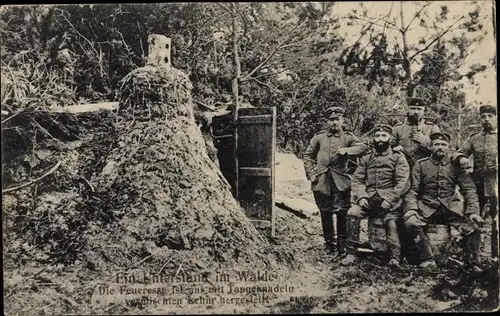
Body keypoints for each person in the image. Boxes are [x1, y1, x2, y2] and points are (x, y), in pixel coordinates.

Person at [403, 132, 484, 270]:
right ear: (431, 146)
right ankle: (427, 259)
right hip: (426, 208)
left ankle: (472, 263)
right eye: (436, 145)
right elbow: (412, 190)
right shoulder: (421, 165)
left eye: (443, 145)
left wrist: (473, 211)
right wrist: (411, 209)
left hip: (451, 209)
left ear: (448, 147)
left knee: (474, 228)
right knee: (410, 223)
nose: (440, 147)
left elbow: (469, 189)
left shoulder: (455, 166)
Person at [340, 124, 411, 267]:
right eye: (377, 136)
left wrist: (389, 199)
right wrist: (362, 196)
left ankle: (394, 257)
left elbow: (402, 182)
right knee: (352, 213)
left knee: (390, 221)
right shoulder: (367, 157)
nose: (380, 139)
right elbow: (357, 179)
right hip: (370, 198)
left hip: (390, 200)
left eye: (383, 136)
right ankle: (351, 252)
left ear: (390, 138)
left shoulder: (398, 157)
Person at [304, 107, 369, 256]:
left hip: (340, 182)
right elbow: (308, 156)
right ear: (327, 121)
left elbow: (363, 148)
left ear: (342, 121)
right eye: (331, 119)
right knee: (325, 213)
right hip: (321, 181)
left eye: (337, 119)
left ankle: (342, 244)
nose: (334, 122)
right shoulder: (319, 137)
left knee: (342, 213)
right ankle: (329, 244)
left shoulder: (348, 137)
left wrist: (347, 150)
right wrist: (311, 174)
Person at [451, 104, 498, 259]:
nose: (486, 120)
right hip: (478, 187)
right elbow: (457, 153)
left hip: (496, 187)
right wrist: (462, 158)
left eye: (490, 116)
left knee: (495, 222)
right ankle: (474, 257)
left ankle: (494, 256)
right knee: (474, 220)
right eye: (483, 117)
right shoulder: (474, 138)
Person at [392, 96, 441, 168]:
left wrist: (424, 141)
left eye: (419, 109)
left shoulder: (432, 128)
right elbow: (389, 148)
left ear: (423, 111)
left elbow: (440, 148)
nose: (416, 112)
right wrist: (396, 149)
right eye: (413, 108)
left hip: (425, 167)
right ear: (408, 109)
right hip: (403, 167)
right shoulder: (397, 128)